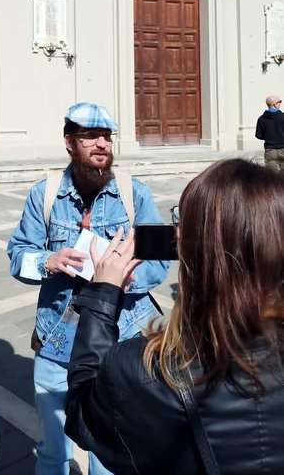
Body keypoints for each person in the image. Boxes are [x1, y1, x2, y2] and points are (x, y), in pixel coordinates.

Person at [65, 158, 284, 475]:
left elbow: (82, 413)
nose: (176, 233)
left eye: (183, 223)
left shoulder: (145, 372)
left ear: (197, 250)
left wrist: (103, 293)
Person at [7, 102, 169, 475]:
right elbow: (18, 254)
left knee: (110, 455)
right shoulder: (44, 195)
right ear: (69, 142)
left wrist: (123, 278)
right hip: (57, 342)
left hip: (120, 341)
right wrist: (47, 261)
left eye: (107, 137)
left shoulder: (135, 194)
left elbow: (161, 261)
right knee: (52, 451)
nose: (102, 144)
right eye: (90, 136)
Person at [255, 94, 284, 171]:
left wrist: (269, 136)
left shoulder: (261, 119)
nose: (280, 103)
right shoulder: (283, 117)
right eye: (279, 102)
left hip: (270, 150)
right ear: (274, 104)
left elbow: (258, 135)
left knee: (272, 177)